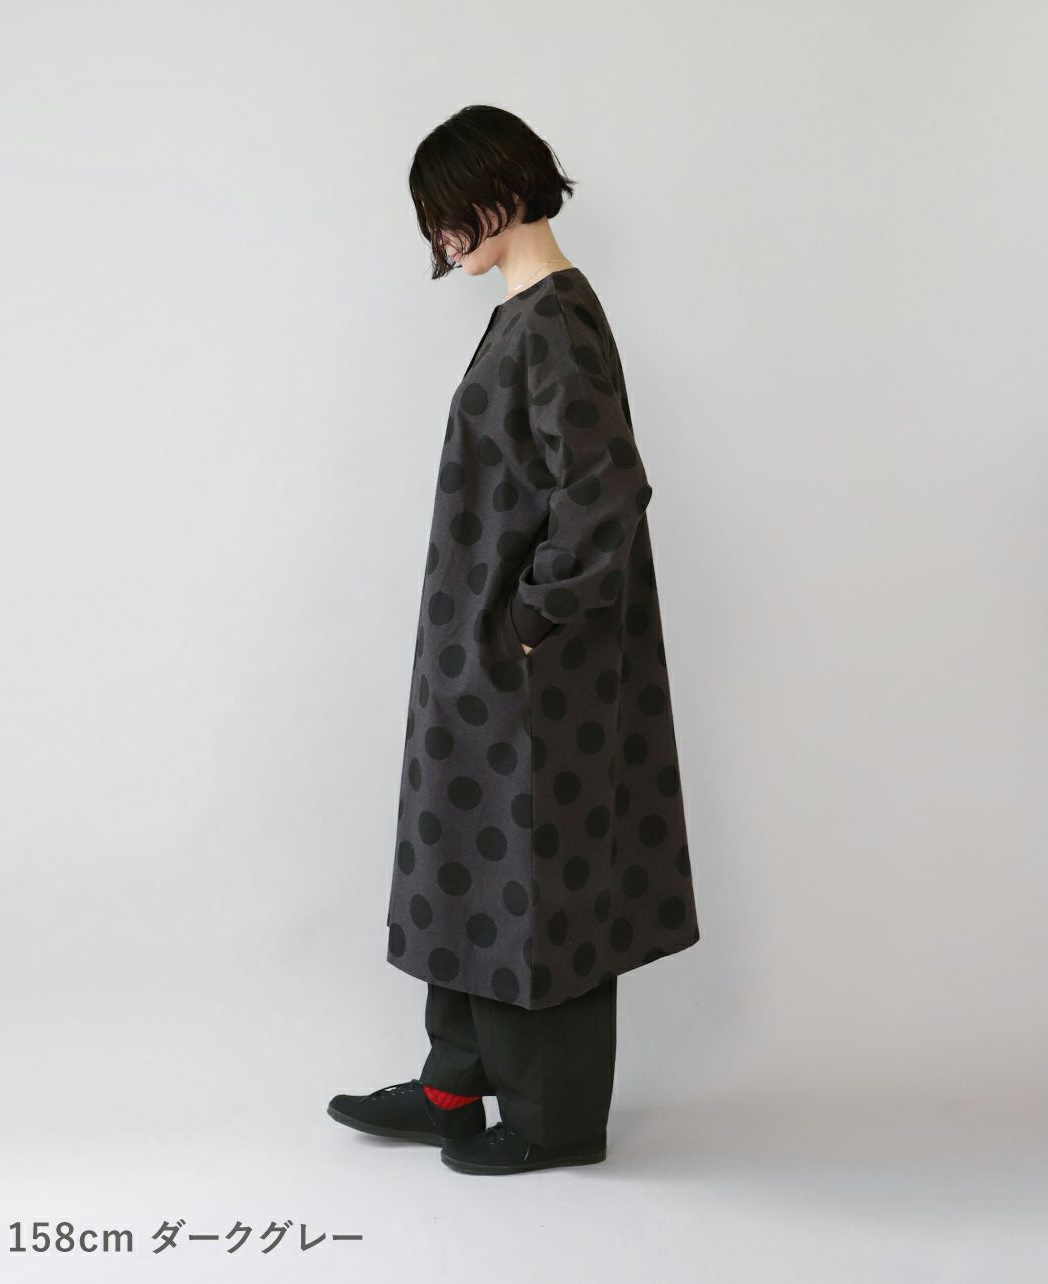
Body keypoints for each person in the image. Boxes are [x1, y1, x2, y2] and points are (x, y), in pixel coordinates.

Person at [328, 105, 700, 1175]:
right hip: (484, 667)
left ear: (501, 192)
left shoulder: (555, 319)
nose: (442, 240)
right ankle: (454, 1085)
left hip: (539, 673)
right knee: (470, 863)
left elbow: (604, 490)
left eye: (448, 217)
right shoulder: (519, 314)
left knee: (538, 881)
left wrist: (532, 620)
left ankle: (553, 1122)